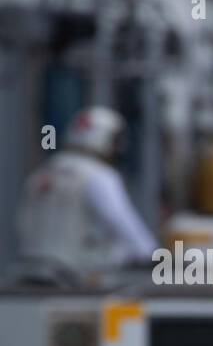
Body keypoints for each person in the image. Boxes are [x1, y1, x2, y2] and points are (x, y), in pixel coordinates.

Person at [17, 106, 156, 275]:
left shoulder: (43, 171)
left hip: (30, 271)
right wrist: (152, 254)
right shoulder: (99, 175)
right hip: (77, 277)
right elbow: (124, 224)